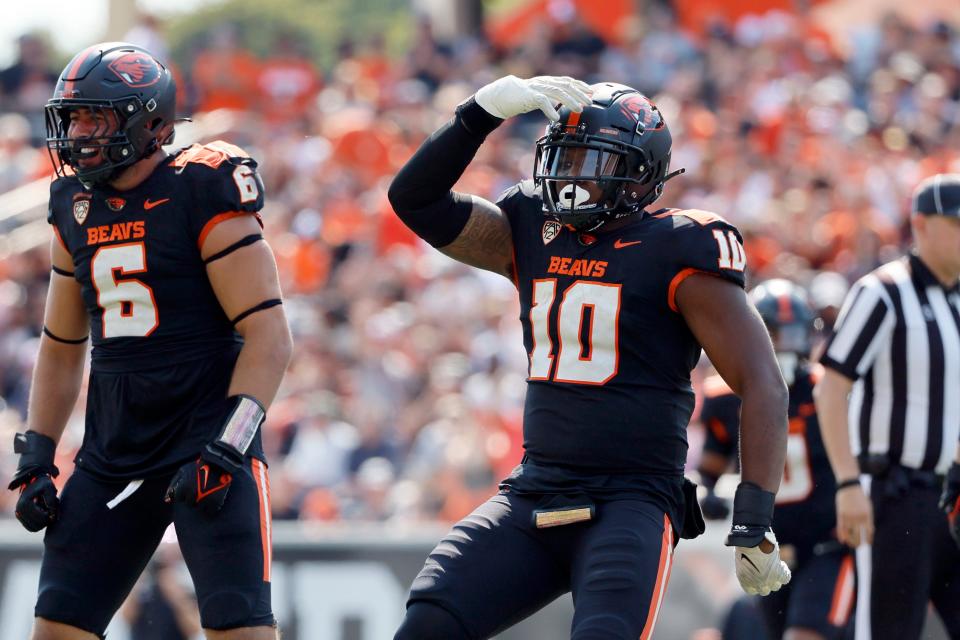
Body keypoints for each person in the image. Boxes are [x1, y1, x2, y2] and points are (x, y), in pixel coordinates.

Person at [388, 74, 792, 640]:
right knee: (429, 621)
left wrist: (754, 520)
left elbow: (763, 383)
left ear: (640, 172)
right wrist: (479, 111)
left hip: (632, 500)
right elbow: (414, 200)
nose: (568, 175)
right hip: (534, 490)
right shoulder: (533, 227)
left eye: (589, 161)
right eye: (564, 155)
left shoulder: (679, 247)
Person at [7, 42, 292, 640]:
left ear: (149, 121)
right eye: (73, 117)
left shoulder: (202, 184)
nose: (78, 133)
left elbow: (268, 333)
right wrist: (38, 452)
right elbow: (62, 343)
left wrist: (228, 448)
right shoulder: (73, 205)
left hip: (205, 437)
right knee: (57, 628)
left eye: (95, 117)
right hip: (114, 448)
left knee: (240, 632)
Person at [814, 173, 960, 640]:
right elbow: (831, 388)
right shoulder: (883, 292)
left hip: (949, 495)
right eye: (957, 223)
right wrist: (849, 483)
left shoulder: (957, 303)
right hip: (895, 492)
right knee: (889, 631)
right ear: (922, 224)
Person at [698, 280, 855, 640]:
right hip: (766, 551)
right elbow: (708, 469)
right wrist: (707, 495)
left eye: (791, 333)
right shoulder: (724, 397)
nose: (782, 344)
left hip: (827, 545)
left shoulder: (825, 392)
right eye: (771, 333)